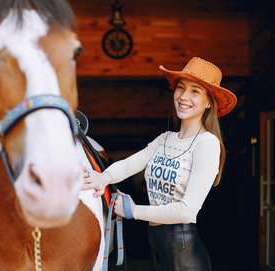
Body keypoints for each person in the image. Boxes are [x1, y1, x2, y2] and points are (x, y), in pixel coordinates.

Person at [82, 57, 237, 271]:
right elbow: (129, 165)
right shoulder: (164, 139)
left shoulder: (207, 143)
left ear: (209, 102)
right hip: (158, 248)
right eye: (181, 88)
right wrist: (103, 177)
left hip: (184, 255)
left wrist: (134, 211)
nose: (184, 96)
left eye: (195, 91)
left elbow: (187, 211)